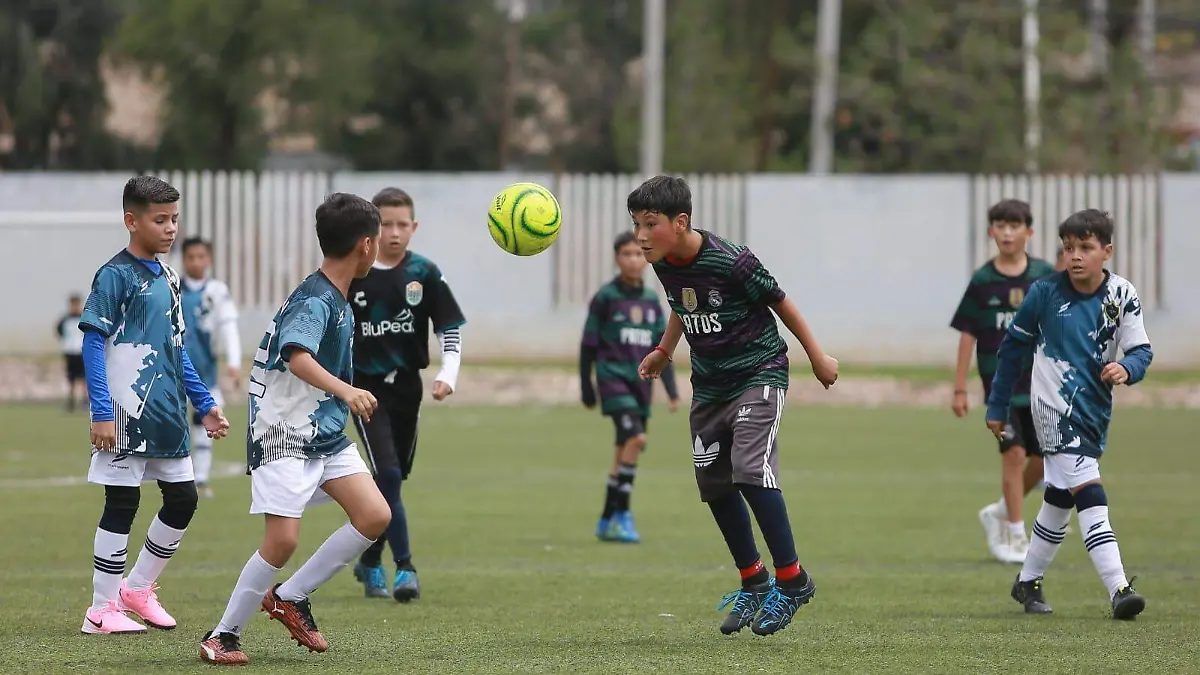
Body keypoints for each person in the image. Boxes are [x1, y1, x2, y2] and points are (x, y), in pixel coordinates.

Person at [632, 175, 839, 636]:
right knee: (715, 483)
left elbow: (781, 303)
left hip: (758, 372)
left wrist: (817, 356)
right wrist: (665, 350)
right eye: (636, 225)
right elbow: (682, 304)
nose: (641, 236)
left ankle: (793, 579)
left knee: (750, 468)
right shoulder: (663, 259)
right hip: (709, 384)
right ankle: (754, 581)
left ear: (680, 221)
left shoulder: (733, 261)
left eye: (650, 224)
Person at [200, 193, 391, 666]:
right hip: (283, 433)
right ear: (366, 245)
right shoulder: (316, 298)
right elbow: (297, 355)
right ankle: (222, 635)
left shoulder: (338, 295)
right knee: (282, 541)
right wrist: (347, 391)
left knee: (373, 514)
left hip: (322, 431)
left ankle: (291, 595)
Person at [79, 176, 230, 635]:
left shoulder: (168, 277)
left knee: (183, 499)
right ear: (132, 221)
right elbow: (93, 343)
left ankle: (138, 589)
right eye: (160, 220)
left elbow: (176, 347)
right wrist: (102, 411)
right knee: (121, 503)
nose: (170, 229)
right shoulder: (113, 275)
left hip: (168, 416)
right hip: (124, 413)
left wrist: (203, 402)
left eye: (175, 219)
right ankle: (101, 609)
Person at [987, 208, 1151, 620]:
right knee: (1090, 492)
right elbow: (1011, 350)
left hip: (1093, 409)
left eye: (1085, 247)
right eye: (1068, 248)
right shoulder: (1044, 293)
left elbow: (1141, 350)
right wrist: (997, 406)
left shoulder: (1122, 295)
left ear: (1106, 251)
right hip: (1053, 410)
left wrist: (1126, 368)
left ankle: (1027, 581)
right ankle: (1119, 588)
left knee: (1060, 497)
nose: (1075, 256)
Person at [346, 187, 466, 602]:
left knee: (392, 481)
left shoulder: (425, 272)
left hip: (408, 391)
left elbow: (449, 328)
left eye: (402, 225)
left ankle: (368, 558)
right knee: (390, 476)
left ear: (413, 228)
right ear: (372, 228)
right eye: (386, 224)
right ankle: (404, 567)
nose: (394, 233)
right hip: (366, 392)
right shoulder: (354, 273)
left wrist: (448, 373)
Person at [950, 199, 1056, 563]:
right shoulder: (982, 281)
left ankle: (998, 510)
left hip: (1042, 386)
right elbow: (967, 332)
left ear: (1029, 232)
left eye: (1015, 226)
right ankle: (1014, 534)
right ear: (991, 231)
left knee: (1043, 460)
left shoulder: (1044, 275)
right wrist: (960, 387)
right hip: (1002, 388)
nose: (1007, 232)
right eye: (1000, 225)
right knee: (1012, 453)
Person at [580, 231, 680, 543]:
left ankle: (607, 517)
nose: (634, 260)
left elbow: (661, 347)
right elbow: (588, 345)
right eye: (627, 254)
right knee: (636, 438)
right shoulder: (606, 297)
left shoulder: (651, 301)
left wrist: (673, 390)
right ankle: (622, 514)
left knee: (624, 449)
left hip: (641, 386)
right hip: (612, 379)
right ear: (616, 258)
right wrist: (587, 384)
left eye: (639, 254)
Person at [180, 237, 242, 498]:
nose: (196, 261)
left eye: (201, 256)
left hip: (204, 369)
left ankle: (201, 478)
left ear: (209, 260)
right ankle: (177, 476)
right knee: (174, 421)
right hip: (172, 368)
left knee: (206, 418)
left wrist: (234, 361)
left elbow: (228, 326)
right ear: (183, 260)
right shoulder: (172, 286)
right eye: (191, 257)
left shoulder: (217, 290)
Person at [56, 293, 86, 412]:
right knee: (71, 378)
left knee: (84, 378)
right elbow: (59, 332)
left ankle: (85, 401)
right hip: (69, 352)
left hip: (82, 352)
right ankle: (71, 402)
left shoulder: (84, 318)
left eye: (77, 304)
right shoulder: (65, 320)